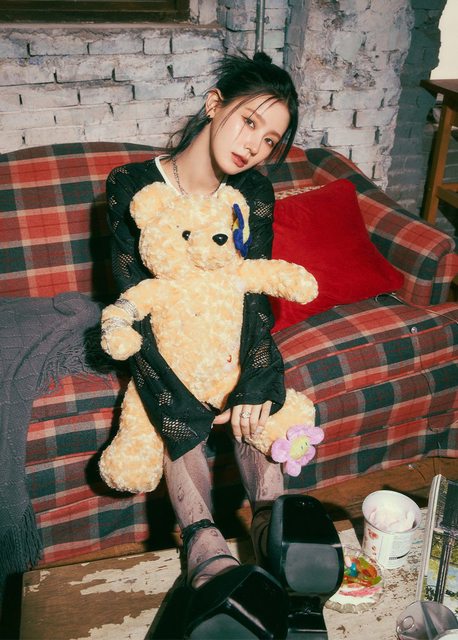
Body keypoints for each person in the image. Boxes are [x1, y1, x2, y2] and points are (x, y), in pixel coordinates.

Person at [106, 51, 302, 638]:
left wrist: (257, 382)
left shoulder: (253, 192)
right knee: (172, 409)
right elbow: (133, 297)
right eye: (249, 122)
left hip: (227, 334)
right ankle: (205, 551)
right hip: (163, 339)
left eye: (269, 140)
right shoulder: (132, 184)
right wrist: (184, 403)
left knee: (257, 402)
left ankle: (279, 534)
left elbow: (252, 295)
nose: (253, 147)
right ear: (216, 104)